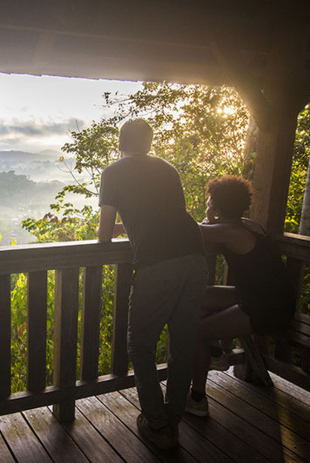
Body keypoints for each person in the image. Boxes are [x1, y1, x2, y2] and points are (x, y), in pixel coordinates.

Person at [97, 119, 207, 449]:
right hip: (195, 254)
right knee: (183, 341)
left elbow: (103, 234)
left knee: (140, 345)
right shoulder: (166, 168)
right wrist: (129, 228)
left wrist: (114, 232)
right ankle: (173, 418)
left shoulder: (113, 172)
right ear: (149, 141)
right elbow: (165, 215)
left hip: (157, 263)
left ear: (120, 141)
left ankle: (157, 424)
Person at [186, 175, 296, 417]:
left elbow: (184, 230)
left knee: (196, 331)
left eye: (208, 201)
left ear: (216, 205)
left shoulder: (228, 232)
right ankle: (216, 354)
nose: (206, 206)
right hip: (264, 296)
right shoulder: (248, 225)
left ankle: (197, 399)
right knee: (195, 297)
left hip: (267, 307)